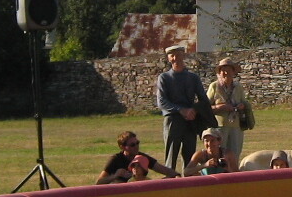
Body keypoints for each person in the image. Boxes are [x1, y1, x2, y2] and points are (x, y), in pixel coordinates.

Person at [155, 43, 210, 173]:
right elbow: (161, 101)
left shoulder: (193, 78)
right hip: (173, 120)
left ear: (183, 56)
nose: (175, 58)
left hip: (190, 121)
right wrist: (180, 110)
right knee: (171, 155)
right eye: (172, 56)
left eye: (178, 55)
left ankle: (189, 179)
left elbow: (203, 99)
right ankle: (170, 179)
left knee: (190, 156)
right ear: (168, 58)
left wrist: (194, 110)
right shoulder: (164, 78)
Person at [204, 57, 252, 169]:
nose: (226, 73)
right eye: (223, 71)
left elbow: (244, 102)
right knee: (219, 153)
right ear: (219, 73)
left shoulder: (238, 87)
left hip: (236, 126)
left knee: (235, 153)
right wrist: (219, 107)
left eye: (228, 70)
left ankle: (233, 175)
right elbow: (205, 107)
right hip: (219, 127)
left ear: (233, 72)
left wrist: (241, 106)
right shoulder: (214, 86)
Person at [97, 130, 180, 184]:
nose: (136, 146)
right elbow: (99, 182)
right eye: (132, 145)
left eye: (137, 143)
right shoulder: (115, 159)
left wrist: (177, 176)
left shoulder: (141, 158)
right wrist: (115, 176)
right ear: (122, 147)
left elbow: (163, 169)